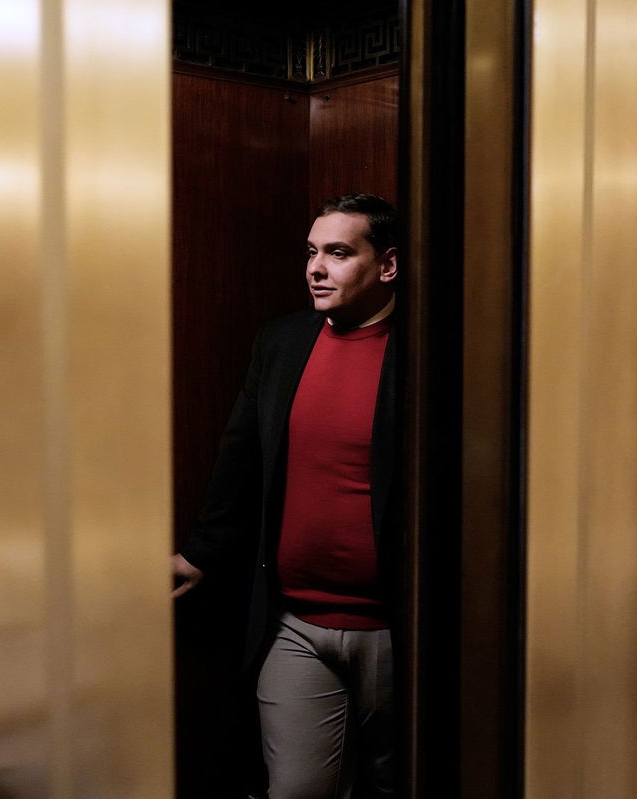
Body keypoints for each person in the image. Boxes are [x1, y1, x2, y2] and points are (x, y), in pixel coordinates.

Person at [172, 193, 401, 799]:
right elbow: (240, 458)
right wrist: (201, 552)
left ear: (388, 266)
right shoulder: (282, 341)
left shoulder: (428, 351)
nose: (316, 268)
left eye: (338, 252)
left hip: (396, 630)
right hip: (295, 622)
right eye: (311, 253)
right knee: (297, 789)